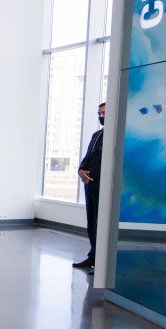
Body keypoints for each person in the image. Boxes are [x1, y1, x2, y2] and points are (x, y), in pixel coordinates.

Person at [73, 102, 105, 274]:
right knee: (91, 223)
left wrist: (92, 175)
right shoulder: (96, 135)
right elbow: (87, 158)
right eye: (99, 113)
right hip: (89, 185)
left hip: (101, 186)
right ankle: (93, 257)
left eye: (104, 113)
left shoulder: (116, 137)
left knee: (102, 224)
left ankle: (102, 262)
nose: (101, 116)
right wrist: (81, 171)